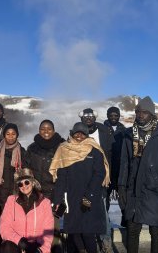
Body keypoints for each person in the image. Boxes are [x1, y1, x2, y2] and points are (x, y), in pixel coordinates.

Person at [118, 96, 158, 253]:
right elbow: (124, 162)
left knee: (156, 232)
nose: (140, 115)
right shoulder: (129, 135)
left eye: (144, 112)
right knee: (132, 230)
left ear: (152, 115)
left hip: (155, 191)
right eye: (138, 112)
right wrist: (121, 185)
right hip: (133, 190)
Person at [50, 122, 110, 253]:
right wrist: (58, 199)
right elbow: (61, 176)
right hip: (71, 197)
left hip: (89, 198)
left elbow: (99, 174)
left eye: (82, 133)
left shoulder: (95, 150)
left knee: (88, 234)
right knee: (73, 233)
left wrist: (89, 195)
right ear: (71, 134)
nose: (79, 135)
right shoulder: (64, 149)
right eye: (76, 132)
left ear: (87, 135)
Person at [79, 108, 114, 253]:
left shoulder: (104, 132)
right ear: (81, 118)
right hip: (82, 180)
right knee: (84, 211)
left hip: (101, 179)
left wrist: (113, 178)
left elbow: (112, 154)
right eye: (85, 116)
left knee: (102, 212)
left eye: (91, 116)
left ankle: (105, 242)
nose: (88, 118)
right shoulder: (77, 132)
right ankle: (88, 241)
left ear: (95, 117)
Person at [0, 168, 55, 253]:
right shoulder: (11, 201)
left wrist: (41, 250)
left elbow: (48, 231)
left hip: (36, 246)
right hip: (16, 244)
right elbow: (5, 228)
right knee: (7, 247)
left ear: (32, 183)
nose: (24, 186)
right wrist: (21, 242)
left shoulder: (45, 203)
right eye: (20, 184)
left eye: (26, 182)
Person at [25, 120, 65, 200]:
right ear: (39, 131)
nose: (46, 131)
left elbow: (66, 172)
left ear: (53, 131)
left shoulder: (62, 147)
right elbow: (26, 168)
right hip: (35, 192)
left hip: (55, 192)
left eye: (49, 129)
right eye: (43, 129)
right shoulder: (32, 148)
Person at [0, 123, 27, 209]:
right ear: (4, 135)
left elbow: (25, 174)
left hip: (16, 193)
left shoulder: (22, 152)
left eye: (13, 134)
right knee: (2, 220)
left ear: (17, 135)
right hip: (0, 194)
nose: (11, 136)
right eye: (8, 134)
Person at [103, 106, 127, 227]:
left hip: (120, 168)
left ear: (119, 116)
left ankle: (125, 220)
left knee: (122, 195)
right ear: (107, 116)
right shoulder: (101, 129)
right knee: (105, 196)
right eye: (111, 115)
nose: (113, 118)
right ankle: (105, 221)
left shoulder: (124, 130)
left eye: (116, 115)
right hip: (106, 167)